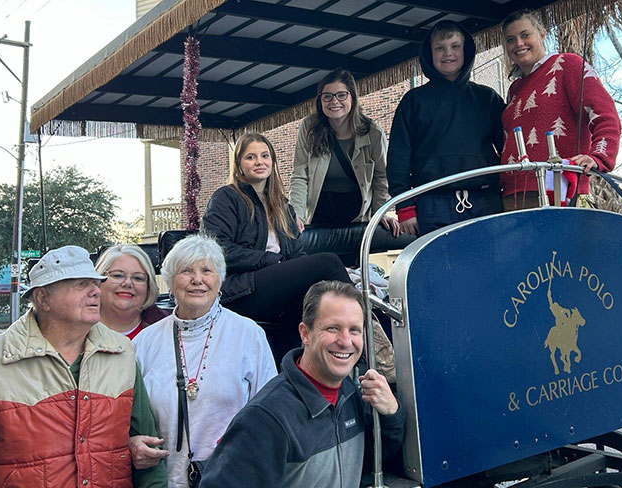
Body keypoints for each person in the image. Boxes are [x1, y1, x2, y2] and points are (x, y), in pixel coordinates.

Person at [0, 245, 166, 488]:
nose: (95, 291)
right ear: (43, 298)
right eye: (81, 285)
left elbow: (146, 441)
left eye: (95, 283)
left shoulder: (122, 353)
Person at [197, 280, 405, 488]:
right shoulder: (266, 419)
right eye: (333, 328)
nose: (346, 341)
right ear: (305, 334)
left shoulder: (350, 395)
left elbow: (367, 462)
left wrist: (390, 413)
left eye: (354, 330)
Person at [128, 234, 277, 488]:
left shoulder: (248, 335)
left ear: (219, 280)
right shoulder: (144, 343)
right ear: (171, 281)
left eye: (207, 270)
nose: (197, 279)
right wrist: (131, 443)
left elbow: (269, 415)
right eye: (186, 271)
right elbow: (127, 418)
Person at [202, 133, 352, 329]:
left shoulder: (282, 206)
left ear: (272, 161)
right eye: (250, 157)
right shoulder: (226, 198)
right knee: (329, 262)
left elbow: (297, 253)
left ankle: (329, 352)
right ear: (239, 165)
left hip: (277, 287)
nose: (259, 162)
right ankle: (371, 339)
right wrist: (269, 259)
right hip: (241, 290)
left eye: (265, 156)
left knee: (321, 295)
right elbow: (217, 250)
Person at [387, 20, 506, 236]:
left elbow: (509, 149)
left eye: (455, 46)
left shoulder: (487, 98)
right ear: (429, 54)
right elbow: (398, 159)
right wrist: (404, 209)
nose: (447, 54)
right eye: (439, 48)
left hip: (485, 200)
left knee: (491, 267)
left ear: (465, 50)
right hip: (432, 204)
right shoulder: (413, 101)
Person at [499, 9, 620, 210]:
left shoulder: (568, 65)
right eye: (511, 39)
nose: (519, 44)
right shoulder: (514, 89)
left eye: (525, 35)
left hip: (558, 185)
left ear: (542, 34)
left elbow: (605, 115)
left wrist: (599, 157)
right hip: (512, 191)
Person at [290, 68, 413, 266]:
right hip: (320, 210)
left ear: (352, 98)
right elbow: (300, 175)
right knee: (322, 266)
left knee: (351, 268)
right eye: (327, 96)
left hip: (355, 211)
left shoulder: (372, 132)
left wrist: (379, 214)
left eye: (341, 95)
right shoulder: (309, 128)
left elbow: (381, 177)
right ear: (320, 100)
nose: (334, 102)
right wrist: (295, 214)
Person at [95, 244, 168, 339]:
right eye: (117, 275)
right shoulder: (75, 325)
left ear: (149, 286)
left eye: (138, 278)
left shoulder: (168, 330)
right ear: (98, 280)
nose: (128, 283)